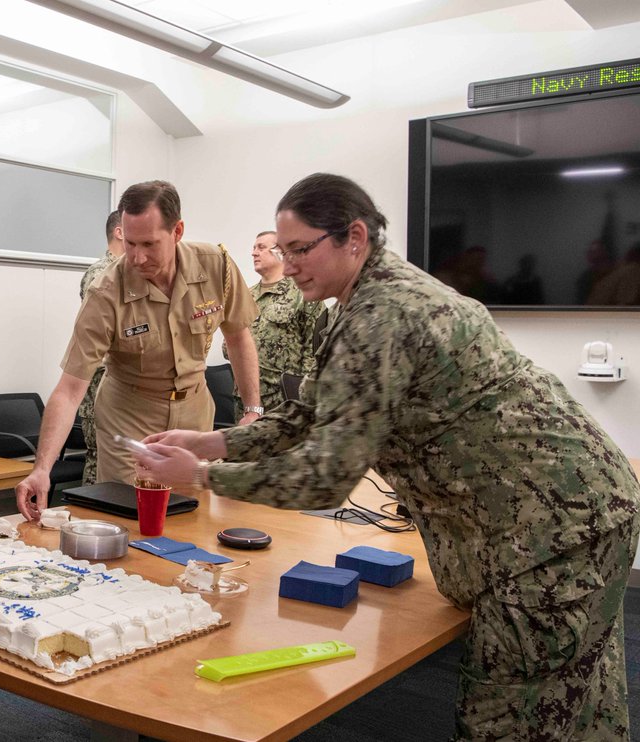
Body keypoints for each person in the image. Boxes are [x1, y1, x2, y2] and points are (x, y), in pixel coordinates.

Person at [135, 173, 640, 741]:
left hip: (550, 527)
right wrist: (217, 441)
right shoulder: (362, 300)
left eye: (301, 250)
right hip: (578, 507)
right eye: (283, 250)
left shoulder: (382, 316)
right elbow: (311, 416)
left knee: (518, 709)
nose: (289, 263)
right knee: (580, 693)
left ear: (354, 237)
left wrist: (202, 476)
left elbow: (323, 480)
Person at [15, 180, 261, 520]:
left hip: (194, 411)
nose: (137, 257)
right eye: (129, 243)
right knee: (126, 518)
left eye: (149, 244)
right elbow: (70, 389)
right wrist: (42, 468)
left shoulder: (215, 265)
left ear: (177, 231)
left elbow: (238, 337)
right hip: (130, 415)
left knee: (190, 517)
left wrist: (252, 409)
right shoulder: (106, 291)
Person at [225, 229, 324, 417]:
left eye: (261, 247)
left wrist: (305, 399)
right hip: (246, 403)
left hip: (285, 402)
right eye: (254, 248)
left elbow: (317, 351)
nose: (254, 252)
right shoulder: (245, 295)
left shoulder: (303, 294)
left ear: (280, 252)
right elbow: (229, 345)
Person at [76, 208, 125, 485]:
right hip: (99, 383)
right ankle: (90, 522)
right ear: (119, 232)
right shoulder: (101, 273)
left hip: (120, 385)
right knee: (100, 458)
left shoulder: (131, 273)